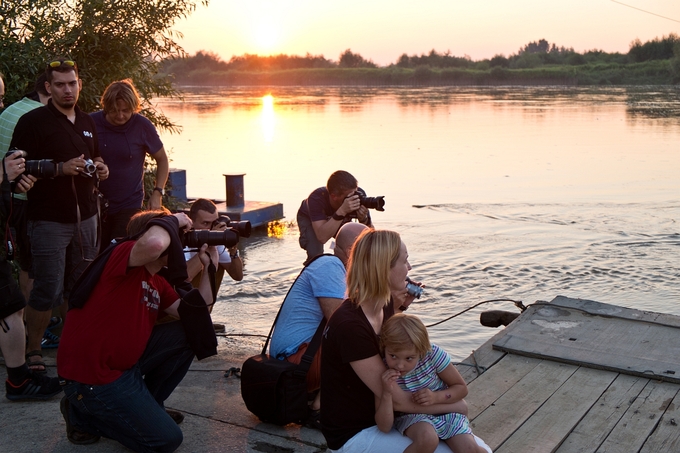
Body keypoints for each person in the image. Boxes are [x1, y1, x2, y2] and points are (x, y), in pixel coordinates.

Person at [320, 229, 491, 452]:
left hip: (394, 417)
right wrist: (457, 405)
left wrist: (403, 307)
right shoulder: (350, 326)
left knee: (482, 450)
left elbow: (398, 349)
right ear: (383, 268)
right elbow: (399, 400)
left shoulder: (384, 304)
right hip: (356, 432)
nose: (409, 268)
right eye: (405, 260)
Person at [57, 210, 216, 451]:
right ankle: (82, 416)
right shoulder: (121, 256)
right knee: (166, 440)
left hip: (124, 369)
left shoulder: (157, 281)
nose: (179, 244)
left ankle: (149, 406)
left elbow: (197, 316)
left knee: (189, 332)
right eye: (177, 237)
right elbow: (153, 244)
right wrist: (173, 220)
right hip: (93, 378)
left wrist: (209, 267)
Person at [9, 59, 110, 371]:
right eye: (61, 85)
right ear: (49, 88)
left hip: (87, 216)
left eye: (72, 83)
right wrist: (59, 168)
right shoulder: (33, 121)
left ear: (79, 84)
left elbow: (93, 155)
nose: (68, 90)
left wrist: (101, 166)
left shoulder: (87, 120)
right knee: (47, 287)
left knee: (80, 285)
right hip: (48, 218)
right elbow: (15, 165)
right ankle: (34, 351)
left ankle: (74, 343)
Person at [269, 222, 368, 419]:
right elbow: (340, 323)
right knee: (359, 342)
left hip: (297, 357)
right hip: (294, 362)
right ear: (352, 250)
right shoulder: (330, 266)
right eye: (369, 247)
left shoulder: (340, 270)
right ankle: (319, 408)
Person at [1, 75, 60, 400]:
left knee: (9, 304)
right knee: (12, 302)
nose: (0, 105)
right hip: (22, 211)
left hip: (9, 205)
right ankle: (19, 380)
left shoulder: (10, 112)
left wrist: (11, 181)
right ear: (48, 88)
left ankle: (19, 378)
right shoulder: (32, 116)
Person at [376, 313, 487, 453]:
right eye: (393, 356)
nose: (400, 365)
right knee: (427, 439)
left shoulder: (432, 355)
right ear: (384, 347)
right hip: (412, 418)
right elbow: (384, 426)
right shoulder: (383, 368)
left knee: (470, 449)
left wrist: (436, 397)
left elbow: (461, 388)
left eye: (409, 358)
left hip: (446, 412)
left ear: (421, 350)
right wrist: (386, 392)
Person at [91, 78, 169, 250]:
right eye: (114, 110)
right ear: (105, 106)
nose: (120, 116)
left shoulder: (142, 126)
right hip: (94, 203)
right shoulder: (91, 123)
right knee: (94, 254)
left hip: (128, 204)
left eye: (126, 111)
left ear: (134, 107)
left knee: (117, 251)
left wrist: (157, 192)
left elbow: (162, 159)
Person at [0, 72, 51, 305]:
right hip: (25, 199)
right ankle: (28, 323)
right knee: (31, 266)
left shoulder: (10, 109)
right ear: (50, 89)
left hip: (5, 197)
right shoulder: (40, 117)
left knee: (17, 260)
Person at [297, 170, 373, 264]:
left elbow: (372, 237)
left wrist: (364, 219)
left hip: (339, 217)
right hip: (311, 219)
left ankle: (346, 273)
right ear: (334, 196)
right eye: (349, 196)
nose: (354, 198)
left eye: (355, 192)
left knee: (349, 250)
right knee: (315, 254)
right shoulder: (316, 198)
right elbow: (322, 237)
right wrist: (342, 211)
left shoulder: (358, 195)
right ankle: (313, 275)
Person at [185, 198, 243, 288]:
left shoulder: (216, 244)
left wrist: (233, 252)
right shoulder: (182, 240)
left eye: (214, 223)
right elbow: (186, 276)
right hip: (179, 298)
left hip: (203, 298)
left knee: (217, 263)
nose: (211, 228)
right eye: (206, 223)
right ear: (191, 222)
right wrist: (210, 244)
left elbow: (238, 276)